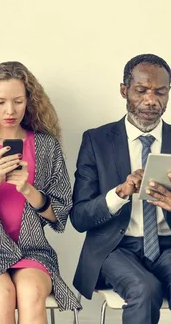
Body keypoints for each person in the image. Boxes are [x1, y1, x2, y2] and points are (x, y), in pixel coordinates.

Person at [0, 61, 80, 324]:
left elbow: (60, 214)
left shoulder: (46, 147)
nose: (10, 111)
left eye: (18, 101)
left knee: (32, 292)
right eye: (0, 102)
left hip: (32, 251)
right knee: (2, 293)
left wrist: (28, 190)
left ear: (29, 101)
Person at [71, 53, 171, 324]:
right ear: (124, 90)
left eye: (161, 92)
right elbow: (79, 218)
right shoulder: (96, 140)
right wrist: (120, 193)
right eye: (141, 91)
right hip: (116, 247)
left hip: (167, 247)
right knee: (145, 289)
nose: (151, 100)